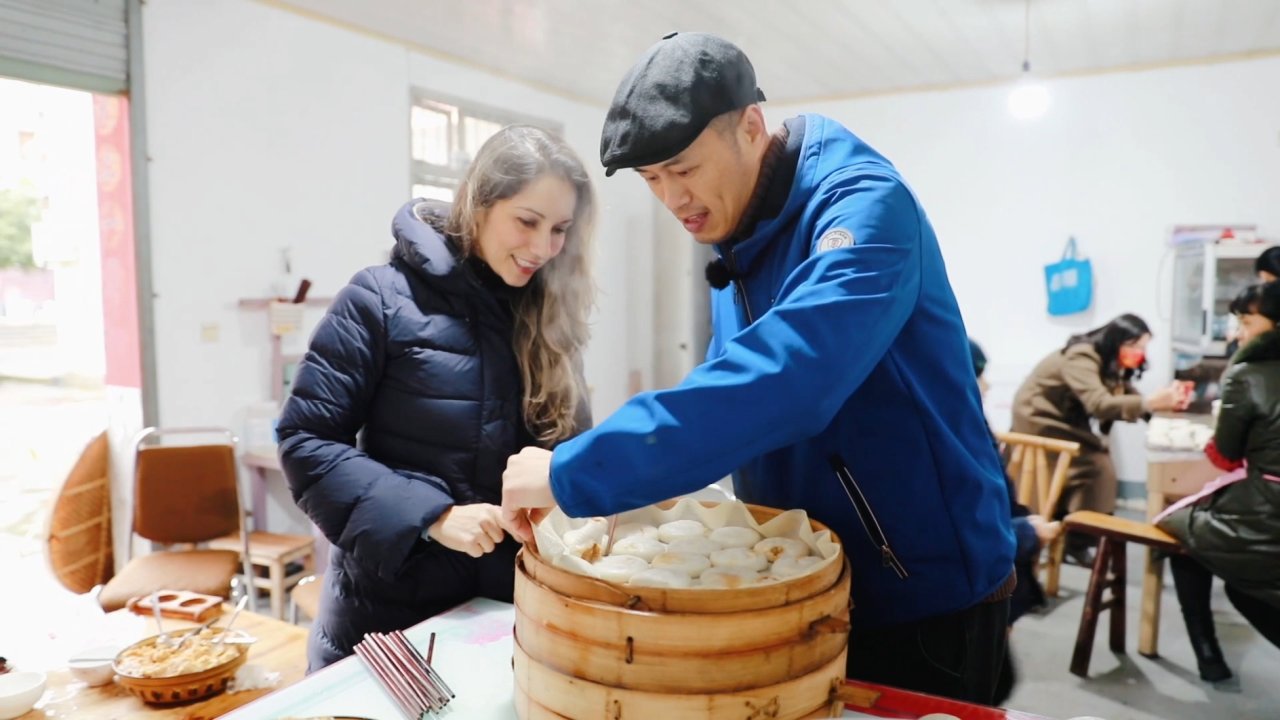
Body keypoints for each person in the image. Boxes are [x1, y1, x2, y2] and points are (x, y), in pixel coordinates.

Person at [502, 32, 1015, 704]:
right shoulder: (736, 227)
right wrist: (647, 482)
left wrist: (578, 470)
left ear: (750, 127)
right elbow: (731, 379)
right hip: (804, 586)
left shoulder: (864, 207)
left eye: (684, 168)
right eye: (653, 180)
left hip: (922, 589)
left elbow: (791, 378)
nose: (672, 198)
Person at [276, 125, 595, 670]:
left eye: (560, 229)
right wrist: (433, 516)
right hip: (388, 629)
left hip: (503, 622)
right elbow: (305, 441)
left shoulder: (548, 317)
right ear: (479, 203)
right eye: (527, 221)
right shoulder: (379, 298)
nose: (544, 248)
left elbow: (571, 450)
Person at [1156, 282, 1280, 683]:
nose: (1239, 333)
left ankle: (1208, 655)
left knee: (1180, 534)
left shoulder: (1248, 374)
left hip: (1268, 513)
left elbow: (1225, 456)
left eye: (1246, 322)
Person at [1009, 314, 1186, 562]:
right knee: (1096, 466)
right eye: (1135, 345)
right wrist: (1150, 403)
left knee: (1097, 462)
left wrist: (1161, 408)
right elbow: (1099, 403)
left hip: (1065, 421)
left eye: (1143, 347)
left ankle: (1077, 534)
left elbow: (1125, 394)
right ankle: (1079, 536)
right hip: (1040, 419)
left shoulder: (1110, 362)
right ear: (1117, 340)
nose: (1139, 352)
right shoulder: (1083, 356)